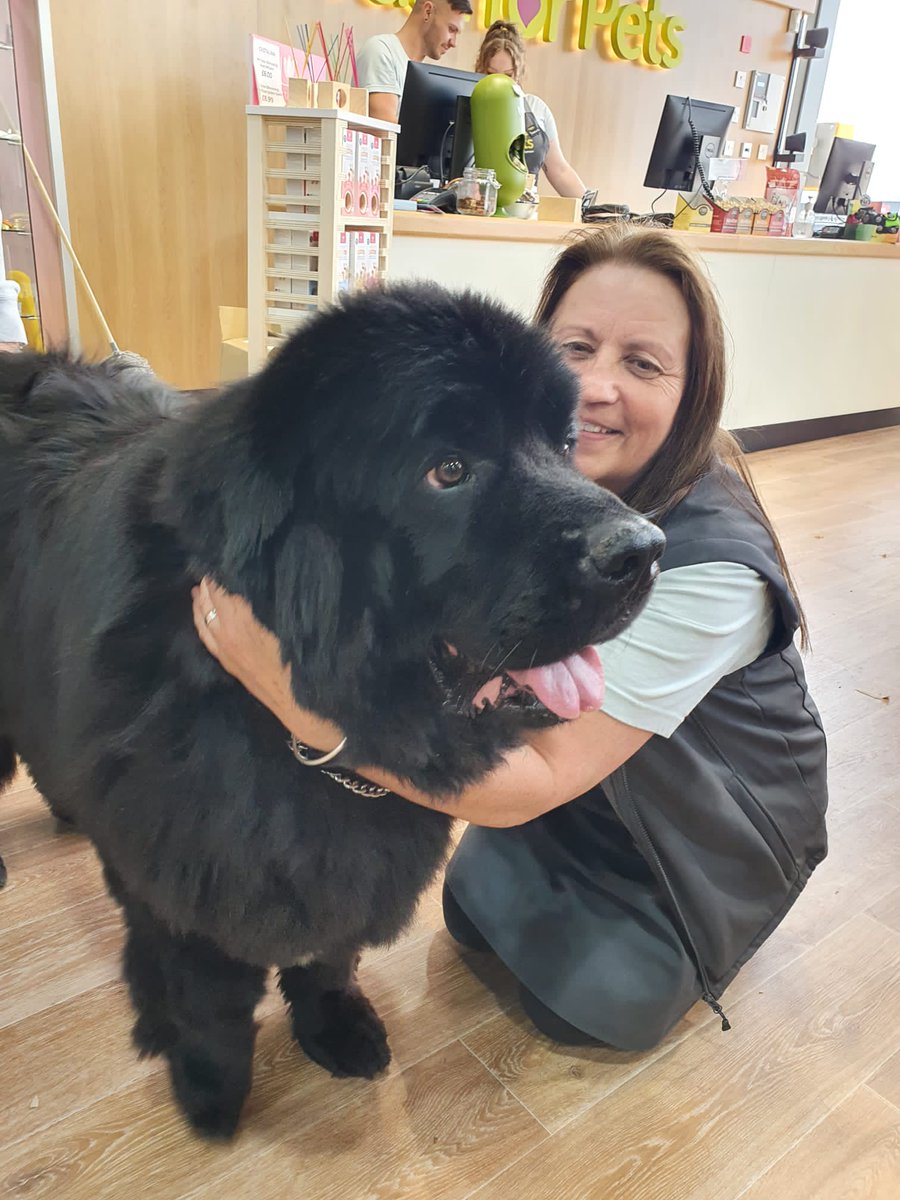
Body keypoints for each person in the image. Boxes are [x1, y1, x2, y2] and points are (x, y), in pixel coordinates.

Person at [191, 225, 828, 1052]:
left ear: (692, 392)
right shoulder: (539, 477)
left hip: (699, 836)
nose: (595, 386)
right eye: (576, 346)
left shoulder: (716, 572)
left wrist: (296, 702)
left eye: (642, 363)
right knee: (469, 916)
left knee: (586, 1010)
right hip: (590, 801)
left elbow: (535, 776)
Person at [474, 20, 587, 199]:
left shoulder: (537, 109)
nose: (500, 82)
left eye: (508, 75)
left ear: (519, 72)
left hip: (525, 212)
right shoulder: (467, 106)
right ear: (480, 69)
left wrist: (592, 209)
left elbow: (559, 170)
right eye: (491, 74)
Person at [357, 0, 473, 124]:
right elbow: (384, 129)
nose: (453, 43)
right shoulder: (381, 51)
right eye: (451, 29)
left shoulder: (424, 77)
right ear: (428, 12)